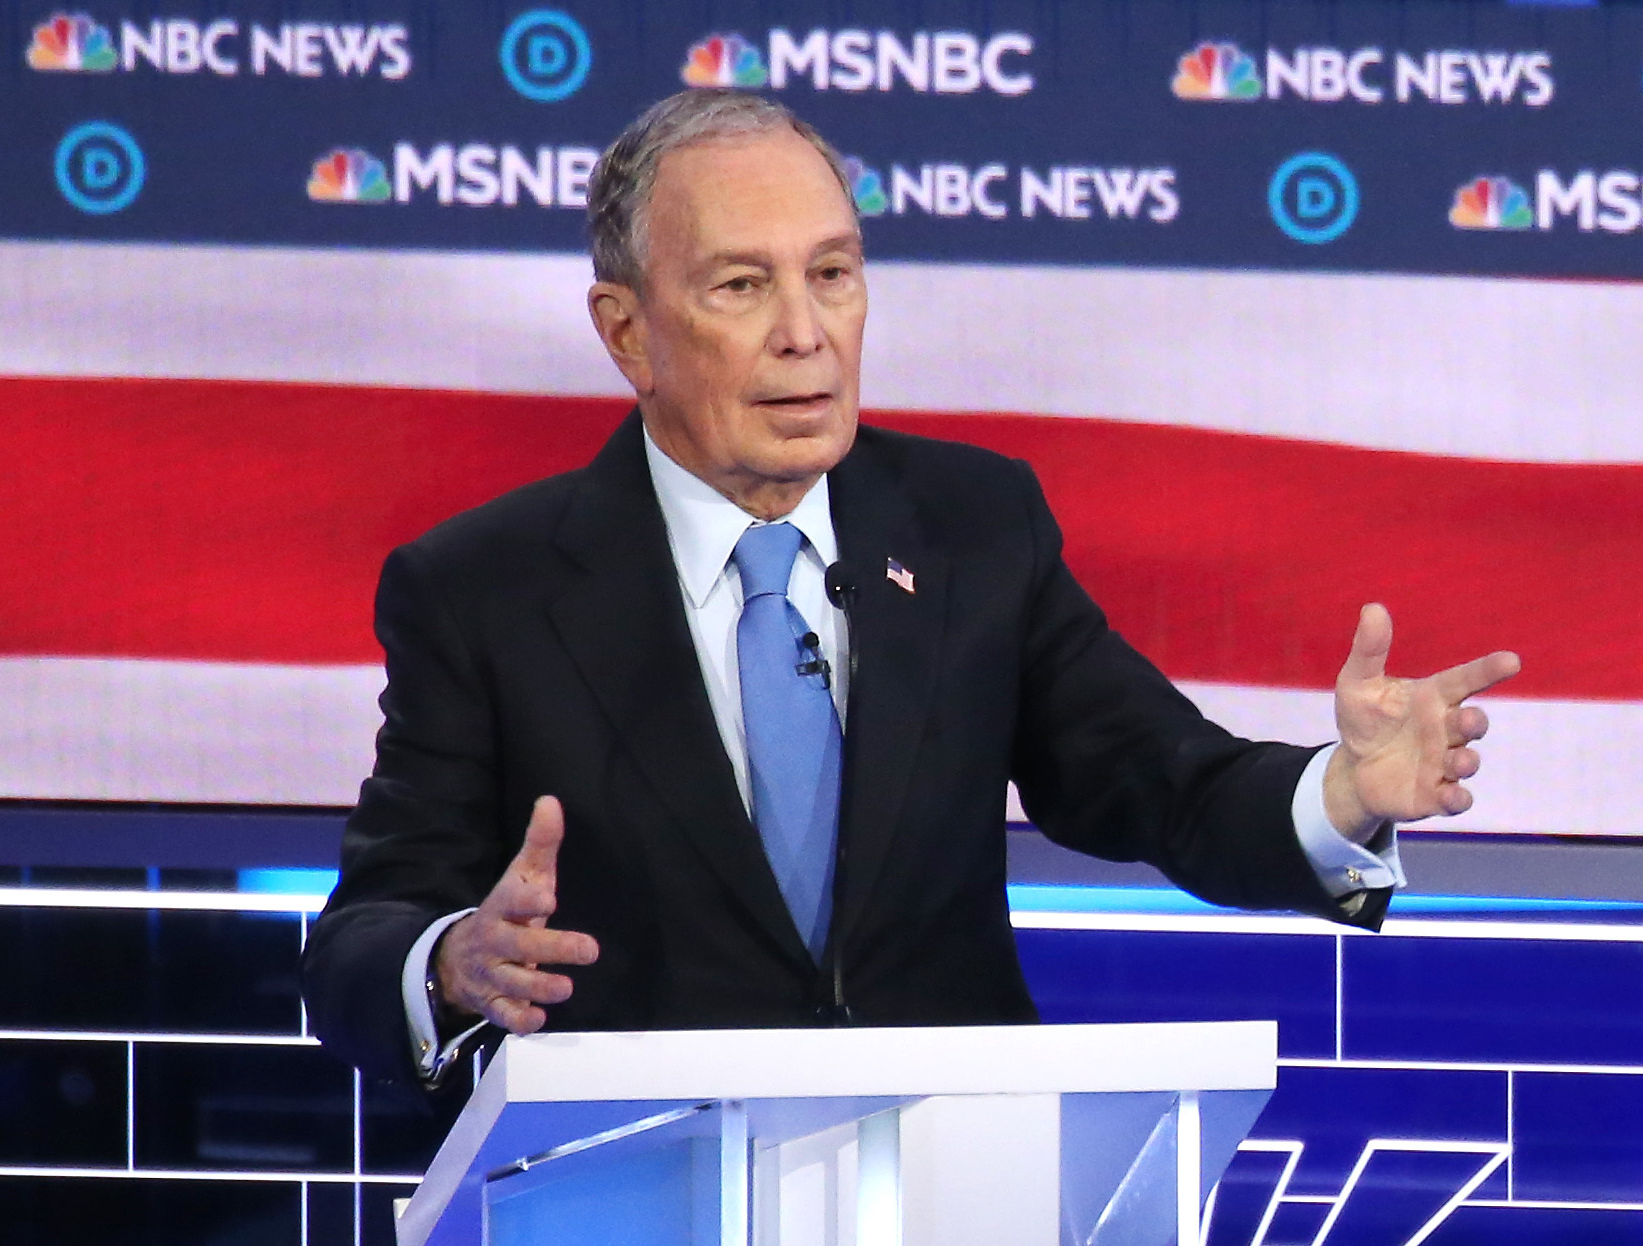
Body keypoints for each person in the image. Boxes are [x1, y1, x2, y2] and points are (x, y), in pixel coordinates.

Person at [300, 91, 1518, 1091]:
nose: (805, 333)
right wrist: (453, 961)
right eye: (740, 287)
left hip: (947, 1174)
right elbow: (359, 939)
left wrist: (1340, 792)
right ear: (627, 333)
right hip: (632, 1189)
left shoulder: (974, 527)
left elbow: (1161, 783)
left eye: (832, 273)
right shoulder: (483, 591)